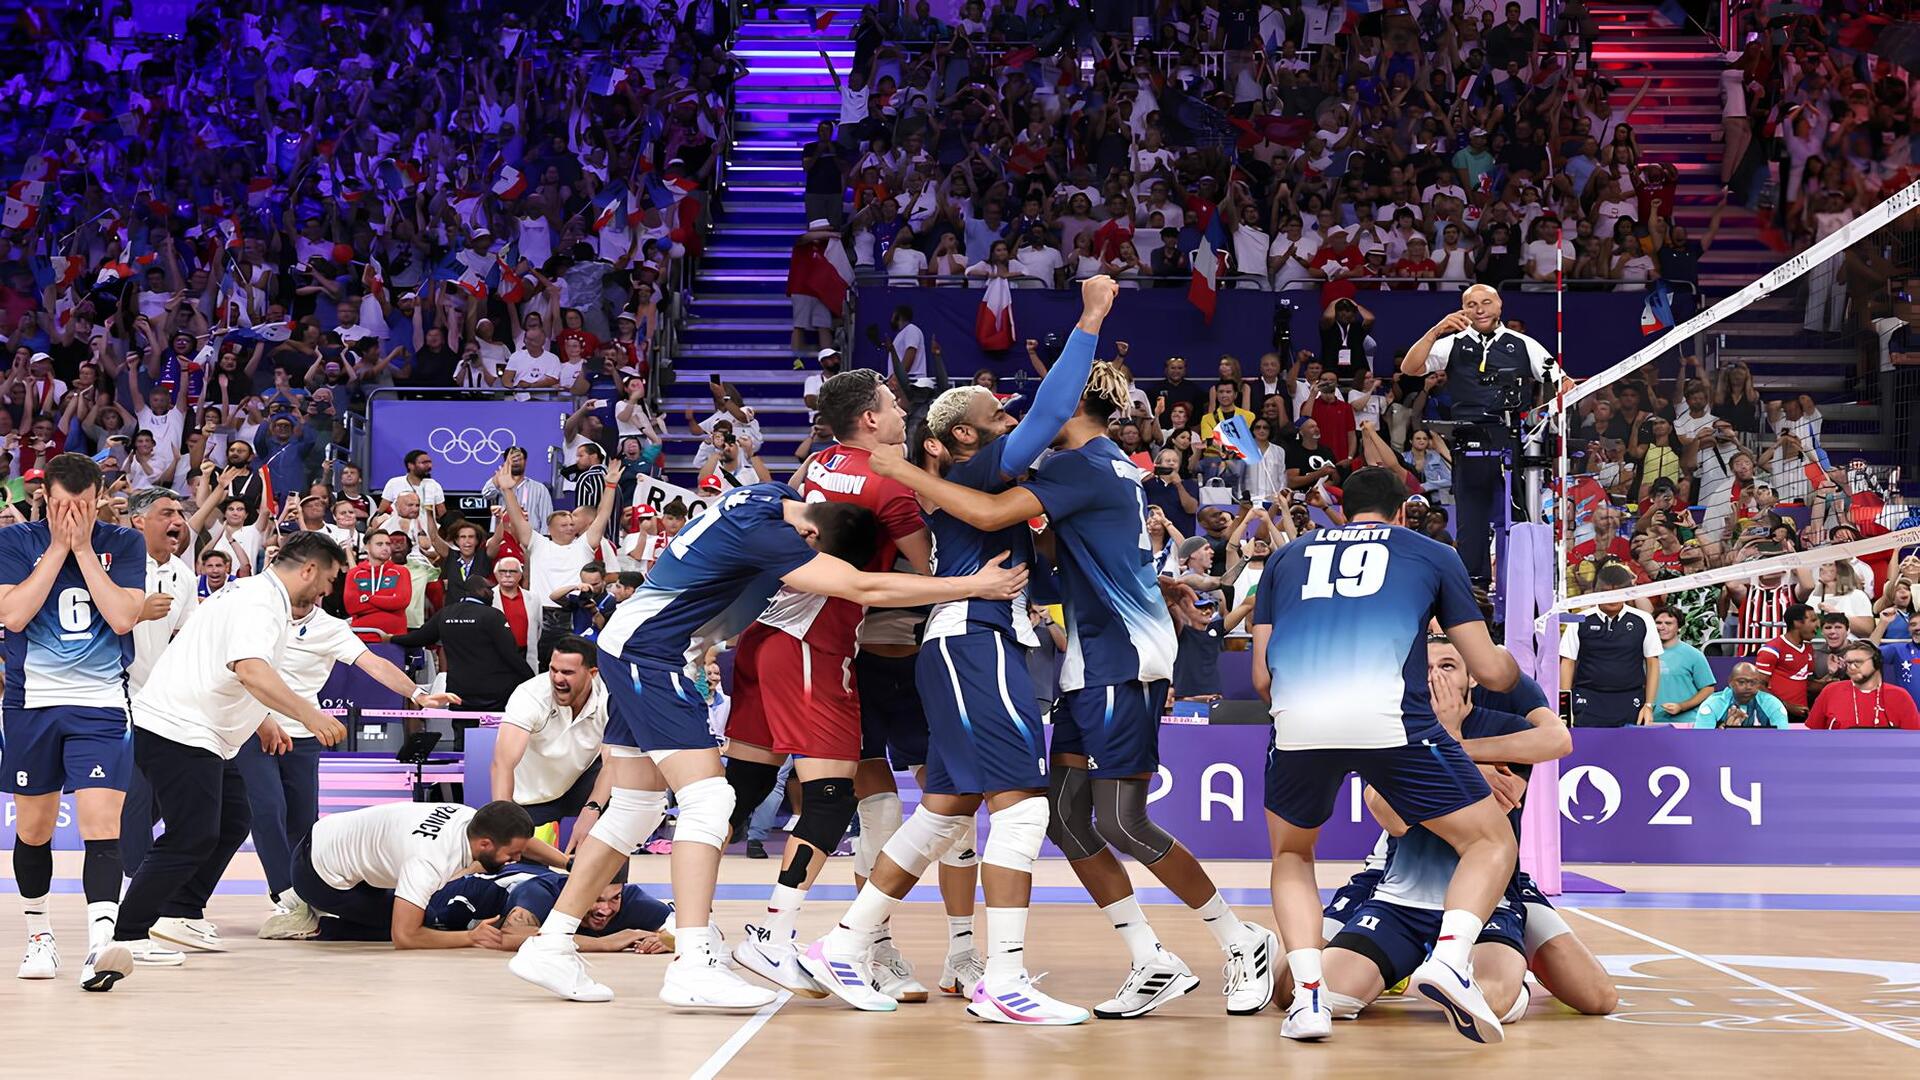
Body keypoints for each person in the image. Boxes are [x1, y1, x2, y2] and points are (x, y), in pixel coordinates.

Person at [870, 353, 1281, 1022]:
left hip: (1119, 659)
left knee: (1123, 819)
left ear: (1070, 411)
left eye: (1034, 411)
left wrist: (904, 471)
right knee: (1064, 816)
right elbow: (1076, 557)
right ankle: (1150, 959)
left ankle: (1242, 940)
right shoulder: (1108, 463)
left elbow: (984, 512)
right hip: (1092, 659)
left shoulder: (1076, 464)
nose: (1025, 423)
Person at [507, 482, 1026, 1009]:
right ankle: (694, 961)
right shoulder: (773, 534)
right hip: (652, 654)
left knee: (634, 811)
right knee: (709, 802)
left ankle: (550, 943)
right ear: (809, 536)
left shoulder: (763, 495)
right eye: (809, 552)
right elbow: (865, 588)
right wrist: (973, 585)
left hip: (634, 647)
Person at [803, 275, 1109, 1023]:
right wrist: (1091, 317)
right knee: (1022, 811)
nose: (1008, 415)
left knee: (944, 810)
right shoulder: (980, 468)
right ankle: (1001, 979)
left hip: (954, 643)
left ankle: (845, 942)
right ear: (963, 438)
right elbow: (1055, 408)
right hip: (974, 640)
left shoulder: (973, 477)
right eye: (993, 412)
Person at [1248, 466, 1523, 1043]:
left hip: (1299, 718)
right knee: (1491, 840)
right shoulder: (1429, 552)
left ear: (1345, 509)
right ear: (1403, 512)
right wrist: (1524, 658)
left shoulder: (1286, 556)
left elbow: (1261, 679)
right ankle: (1450, 961)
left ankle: (1308, 1002)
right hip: (1390, 719)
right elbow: (1493, 672)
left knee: (1293, 857)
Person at [722, 366, 945, 1005]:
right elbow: (925, 562)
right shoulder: (888, 484)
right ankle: (775, 929)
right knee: (830, 796)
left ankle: (696, 932)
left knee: (742, 789)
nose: (902, 408)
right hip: (815, 641)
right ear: (870, 420)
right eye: (893, 402)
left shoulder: (819, 461)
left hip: (764, 630)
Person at [100, 532, 351, 992]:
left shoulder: (252, 593)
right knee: (191, 834)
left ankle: (180, 912)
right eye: (330, 579)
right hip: (181, 727)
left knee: (236, 816)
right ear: (310, 569)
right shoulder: (259, 603)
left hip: (208, 732)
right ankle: (128, 932)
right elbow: (250, 669)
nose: (328, 592)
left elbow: (226, 665)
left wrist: (262, 721)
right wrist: (308, 714)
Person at [1318, 639, 1556, 1029]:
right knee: (1322, 995)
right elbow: (1391, 817)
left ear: (1471, 677)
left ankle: (1515, 982)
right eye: (1425, 668)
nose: (1435, 677)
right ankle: (1403, 968)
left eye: (1448, 666)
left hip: (1486, 904)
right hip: (1403, 900)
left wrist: (1446, 745)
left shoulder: (1508, 728)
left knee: (1497, 1003)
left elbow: (1500, 803)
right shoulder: (1389, 728)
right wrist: (1461, 760)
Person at [0, 454, 150, 989]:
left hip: (101, 702)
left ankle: (100, 947)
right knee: (34, 830)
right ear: (45, 500)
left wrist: (84, 549)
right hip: (31, 703)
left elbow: (124, 616)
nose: (73, 515)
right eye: (63, 506)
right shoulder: (16, 543)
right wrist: (59, 548)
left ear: (99, 499)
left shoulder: (125, 543)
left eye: (83, 507)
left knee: (101, 826)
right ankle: (39, 937)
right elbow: (13, 615)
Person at [238, 597, 456, 917]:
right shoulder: (260, 615)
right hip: (255, 727)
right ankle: (284, 893)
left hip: (305, 732)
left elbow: (375, 664)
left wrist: (418, 693)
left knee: (303, 819)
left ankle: (307, 892)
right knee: (267, 808)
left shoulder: (330, 626)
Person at [1399, 285, 1563, 584]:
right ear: (1463, 309)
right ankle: (1475, 593)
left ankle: (1518, 590)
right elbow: (1410, 368)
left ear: (1499, 306)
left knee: (1513, 523)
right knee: (1471, 526)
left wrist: (1547, 415)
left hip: (1511, 443)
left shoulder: (1523, 343)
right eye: (1471, 304)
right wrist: (1436, 330)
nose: (1480, 309)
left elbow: (1561, 383)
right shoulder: (1452, 342)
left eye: (1486, 302)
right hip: (1467, 444)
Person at [260, 801, 562, 946]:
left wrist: (568, 863)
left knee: (415, 906)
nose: (518, 858)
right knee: (422, 921)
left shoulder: (470, 817)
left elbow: (523, 839)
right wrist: (470, 937)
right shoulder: (429, 860)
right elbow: (404, 937)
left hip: (323, 838)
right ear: (485, 844)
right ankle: (315, 922)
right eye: (512, 854)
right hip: (316, 876)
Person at [118, 487, 198, 965]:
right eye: (167, 513)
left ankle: (135, 891)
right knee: (135, 794)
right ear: (137, 522)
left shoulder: (184, 575)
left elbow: (185, 637)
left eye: (180, 514)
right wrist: (134, 612)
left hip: (162, 696)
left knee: (149, 794)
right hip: (114, 689)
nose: (177, 520)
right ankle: (134, 899)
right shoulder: (118, 565)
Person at [497, 459, 622, 668]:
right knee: (538, 665)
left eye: (572, 524)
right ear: (550, 527)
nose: (570, 527)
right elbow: (518, 519)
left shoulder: (583, 545)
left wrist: (610, 486)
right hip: (540, 614)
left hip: (575, 614)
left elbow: (602, 516)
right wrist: (508, 490)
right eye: (564, 524)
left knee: (574, 666)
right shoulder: (537, 543)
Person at [492, 636, 613, 829]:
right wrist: (504, 821)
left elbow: (613, 763)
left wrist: (593, 808)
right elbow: (503, 764)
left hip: (582, 780)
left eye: (567, 672)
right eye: (553, 670)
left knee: (623, 793)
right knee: (519, 852)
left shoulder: (609, 696)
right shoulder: (530, 695)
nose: (557, 679)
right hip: (535, 795)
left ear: (592, 673)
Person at [426, 862, 672, 953]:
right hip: (459, 897)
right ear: (576, 888)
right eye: (596, 898)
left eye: (614, 898)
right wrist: (605, 943)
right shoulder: (540, 893)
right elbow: (510, 937)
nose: (604, 909)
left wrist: (668, 939)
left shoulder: (632, 899)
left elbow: (685, 925)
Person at [388, 579, 534, 712]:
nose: (493, 593)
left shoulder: (445, 614)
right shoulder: (493, 615)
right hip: (495, 694)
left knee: (461, 738)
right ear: (478, 590)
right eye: (489, 589)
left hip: (459, 693)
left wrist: (391, 639)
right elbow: (511, 655)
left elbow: (418, 638)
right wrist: (532, 680)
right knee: (493, 738)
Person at [1558, 563, 1661, 727]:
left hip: (1630, 699)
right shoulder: (1579, 619)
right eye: (1606, 592)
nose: (1612, 597)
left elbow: (1652, 662)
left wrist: (1648, 705)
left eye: (1618, 592)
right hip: (1587, 699)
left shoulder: (1643, 619)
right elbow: (1568, 662)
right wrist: (1564, 708)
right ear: (1596, 592)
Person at [1806, 642, 1920, 730]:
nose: (1852, 667)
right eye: (1848, 663)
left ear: (1876, 662)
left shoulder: (1900, 696)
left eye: (1858, 662)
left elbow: (1914, 737)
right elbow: (1814, 734)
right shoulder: (1831, 691)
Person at [1754, 603, 1818, 722]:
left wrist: (1831, 681)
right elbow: (1758, 686)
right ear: (1797, 623)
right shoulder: (1771, 649)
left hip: (1801, 715)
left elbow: (1806, 682)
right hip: (1774, 715)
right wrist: (1786, 706)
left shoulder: (1808, 647)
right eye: (1813, 620)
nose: (1818, 625)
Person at [1651, 606, 1716, 720]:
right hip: (1651, 720)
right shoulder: (1645, 654)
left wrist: (1682, 707)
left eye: (1668, 623)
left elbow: (1708, 689)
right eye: (1658, 623)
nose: (1662, 627)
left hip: (1686, 722)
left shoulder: (1694, 655)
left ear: (1679, 627)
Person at [1691, 663, 1789, 729]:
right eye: (1742, 682)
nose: (1748, 687)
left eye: (1753, 682)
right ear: (1730, 682)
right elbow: (1701, 740)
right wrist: (1726, 732)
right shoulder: (1713, 705)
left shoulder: (1772, 704)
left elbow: (1783, 739)